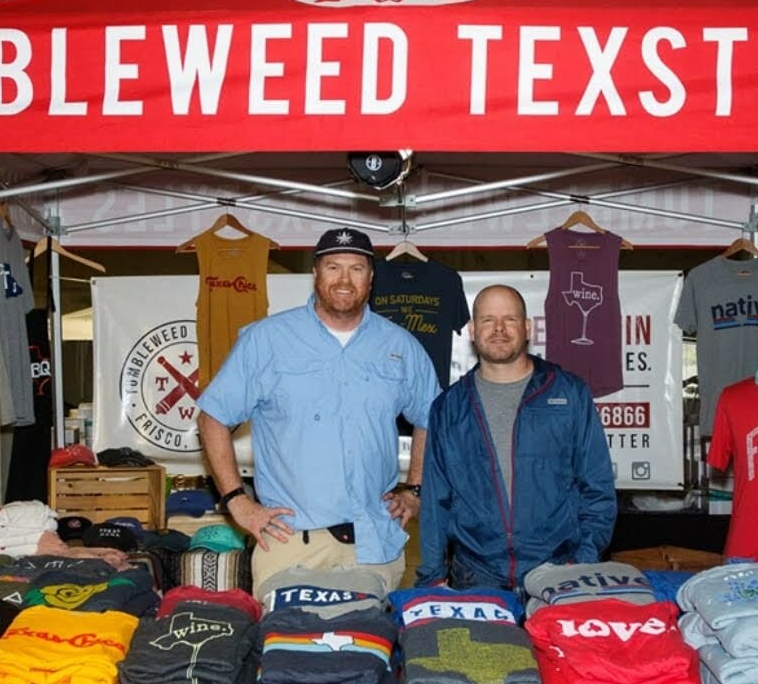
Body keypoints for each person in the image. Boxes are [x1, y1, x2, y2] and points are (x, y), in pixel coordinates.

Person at [196, 227, 440, 593]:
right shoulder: (266, 340)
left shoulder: (400, 346)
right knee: (286, 648)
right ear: (315, 274)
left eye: (356, 268)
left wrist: (416, 490)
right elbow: (211, 417)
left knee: (369, 647)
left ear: (371, 278)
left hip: (374, 546)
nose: (344, 279)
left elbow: (431, 418)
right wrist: (237, 502)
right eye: (333, 267)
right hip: (290, 545)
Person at [415, 284, 618, 593]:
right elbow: (434, 503)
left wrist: (583, 559)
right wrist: (432, 577)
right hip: (476, 578)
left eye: (509, 319)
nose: (498, 329)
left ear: (526, 329)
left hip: (557, 573)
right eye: (487, 320)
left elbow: (597, 487)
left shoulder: (568, 393)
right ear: (472, 330)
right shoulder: (448, 408)